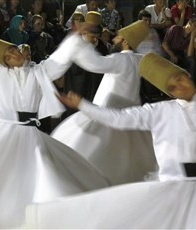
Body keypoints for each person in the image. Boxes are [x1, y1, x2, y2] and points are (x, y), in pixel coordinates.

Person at [26, 52, 196, 229]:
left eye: (180, 79)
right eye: (172, 87)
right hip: (176, 187)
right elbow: (118, 118)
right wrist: (83, 105)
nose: (180, 87)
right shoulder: (161, 111)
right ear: (170, 93)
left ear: (188, 74)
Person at [0, 35, 109, 228]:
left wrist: (76, 38)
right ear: (2, 60)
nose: (16, 53)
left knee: (42, 173)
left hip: (31, 133)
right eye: (9, 53)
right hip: (6, 131)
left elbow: (60, 61)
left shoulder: (38, 71)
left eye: (16, 49)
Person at [51, 20, 156, 185]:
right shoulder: (139, 60)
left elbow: (94, 63)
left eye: (118, 38)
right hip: (130, 118)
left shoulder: (120, 59)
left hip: (109, 115)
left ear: (125, 42)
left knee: (91, 154)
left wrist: (78, 40)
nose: (113, 40)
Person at [162, 17, 196, 83]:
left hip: (180, 53)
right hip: (168, 51)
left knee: (191, 60)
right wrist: (172, 55)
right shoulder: (175, 28)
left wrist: (192, 37)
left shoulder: (191, 35)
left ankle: (192, 84)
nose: (195, 28)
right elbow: (164, 44)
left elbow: (189, 54)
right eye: (194, 25)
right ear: (189, 23)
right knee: (172, 61)